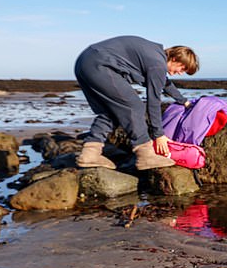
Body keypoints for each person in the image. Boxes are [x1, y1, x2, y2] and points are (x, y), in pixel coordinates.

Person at [74, 35, 199, 170]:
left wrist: (184, 101)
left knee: (110, 111)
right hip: (101, 65)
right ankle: (145, 155)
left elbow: (164, 83)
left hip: (84, 62)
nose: (180, 73)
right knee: (135, 106)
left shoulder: (153, 55)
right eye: (182, 68)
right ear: (175, 59)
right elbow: (154, 101)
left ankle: (89, 154)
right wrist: (159, 135)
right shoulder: (157, 63)